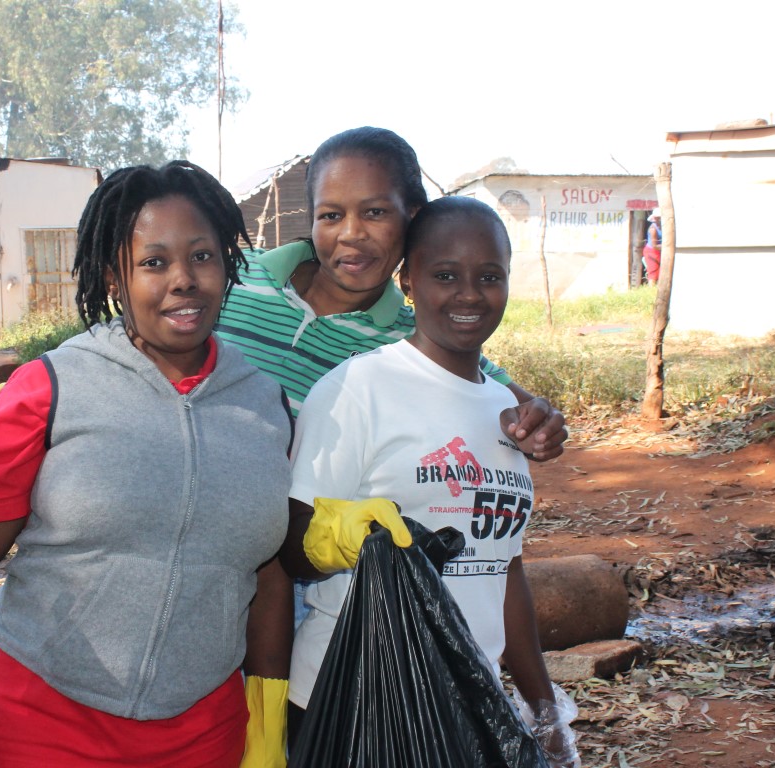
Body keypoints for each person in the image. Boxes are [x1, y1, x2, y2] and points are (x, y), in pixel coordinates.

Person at [0, 161, 294, 768]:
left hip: (204, 736)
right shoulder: (49, 386)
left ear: (227, 264)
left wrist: (267, 720)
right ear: (114, 277)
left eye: (202, 256)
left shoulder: (265, 405)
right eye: (153, 262)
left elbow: (267, 576)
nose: (183, 279)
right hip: (37, 727)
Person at [213, 127, 568, 630]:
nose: (351, 233)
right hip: (192, 538)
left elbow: (508, 399)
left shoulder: (408, 335)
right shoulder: (234, 280)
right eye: (330, 215)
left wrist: (539, 422)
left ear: (413, 218)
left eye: (375, 212)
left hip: (289, 576)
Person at [280, 196, 578, 766]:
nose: (469, 294)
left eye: (489, 276)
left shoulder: (506, 410)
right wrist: (347, 535)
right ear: (408, 281)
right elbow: (292, 547)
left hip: (465, 707)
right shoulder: (358, 390)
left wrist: (544, 710)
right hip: (353, 701)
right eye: (445, 275)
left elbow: (503, 570)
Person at [643, 208, 663, 284]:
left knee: (660, 271)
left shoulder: (663, 227)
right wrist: (666, 246)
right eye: (657, 218)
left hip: (659, 251)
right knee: (653, 271)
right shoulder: (653, 229)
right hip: (651, 251)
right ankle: (651, 287)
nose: (659, 219)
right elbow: (655, 245)